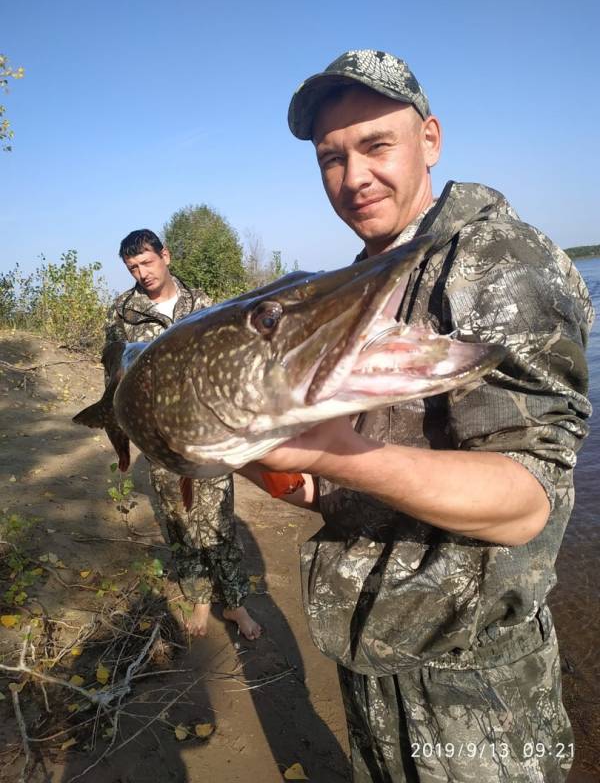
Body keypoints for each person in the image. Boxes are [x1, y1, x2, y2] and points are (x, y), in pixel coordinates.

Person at [244, 50, 594, 781]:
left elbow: (529, 499)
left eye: (376, 145)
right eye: (331, 158)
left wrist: (331, 453)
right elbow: (338, 482)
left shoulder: (495, 258)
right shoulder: (367, 281)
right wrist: (270, 458)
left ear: (429, 140)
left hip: (473, 687)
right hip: (374, 658)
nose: (354, 177)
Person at [105, 228, 261, 640]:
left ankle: (235, 604)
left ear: (166, 256)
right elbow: (112, 374)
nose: (142, 272)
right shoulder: (123, 312)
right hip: (157, 438)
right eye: (133, 267)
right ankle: (199, 599)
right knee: (177, 521)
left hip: (207, 432)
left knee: (218, 521)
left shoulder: (205, 306)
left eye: (147, 262)